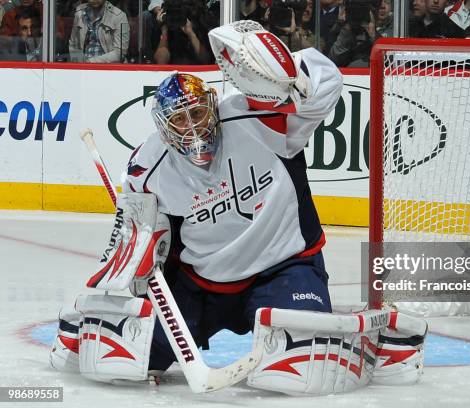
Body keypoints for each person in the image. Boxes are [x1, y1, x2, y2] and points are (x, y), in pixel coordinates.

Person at [49, 21, 426, 396]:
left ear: (212, 107)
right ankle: (78, 326)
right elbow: (129, 240)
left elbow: (328, 80)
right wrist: (141, 252)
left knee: (298, 368)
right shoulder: (147, 169)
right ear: (163, 128)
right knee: (127, 358)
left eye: (196, 113)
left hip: (284, 268)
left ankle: (376, 340)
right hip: (203, 285)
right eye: (179, 120)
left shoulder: (258, 117)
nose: (192, 128)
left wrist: (289, 76)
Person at [153, 0, 213, 65]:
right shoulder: (168, 28)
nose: (177, 16)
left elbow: (206, 60)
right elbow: (161, 61)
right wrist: (164, 30)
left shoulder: (200, 24)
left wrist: (191, 34)